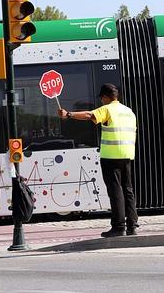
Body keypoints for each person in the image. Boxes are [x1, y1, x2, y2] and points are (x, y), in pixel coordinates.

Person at [58, 83, 138, 237]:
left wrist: (69, 115)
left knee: (115, 191)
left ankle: (118, 227)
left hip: (111, 156)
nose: (101, 101)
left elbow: (90, 115)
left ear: (106, 97)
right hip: (127, 155)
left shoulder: (107, 109)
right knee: (128, 190)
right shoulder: (129, 112)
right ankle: (132, 226)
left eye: (102, 98)